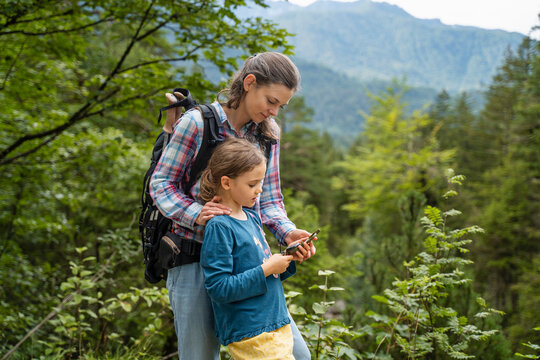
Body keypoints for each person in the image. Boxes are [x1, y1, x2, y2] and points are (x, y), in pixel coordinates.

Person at [150, 52, 315, 360]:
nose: (274, 111)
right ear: (249, 83)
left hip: (247, 262)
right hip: (192, 257)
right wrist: (196, 213)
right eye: (271, 101)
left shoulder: (267, 134)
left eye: (281, 105)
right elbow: (161, 184)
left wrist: (287, 233)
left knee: (298, 355)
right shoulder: (198, 123)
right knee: (200, 356)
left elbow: (269, 199)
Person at [200, 138, 297, 359]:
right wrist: (266, 269)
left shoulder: (251, 217)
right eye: (252, 184)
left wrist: (287, 260)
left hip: (275, 322)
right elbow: (219, 287)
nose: (260, 190)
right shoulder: (220, 226)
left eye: (261, 182)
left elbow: (259, 272)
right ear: (226, 183)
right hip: (251, 330)